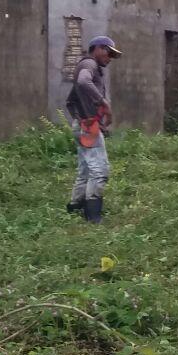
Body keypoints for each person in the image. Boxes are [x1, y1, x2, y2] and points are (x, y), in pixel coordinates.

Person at [65, 35, 122, 224]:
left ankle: (75, 206)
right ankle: (93, 216)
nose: (110, 58)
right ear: (97, 48)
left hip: (84, 125)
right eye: (108, 52)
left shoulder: (84, 65)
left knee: (85, 170)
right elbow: (82, 82)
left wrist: (80, 119)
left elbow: (70, 101)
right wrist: (102, 102)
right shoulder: (89, 65)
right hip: (87, 127)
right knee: (100, 171)